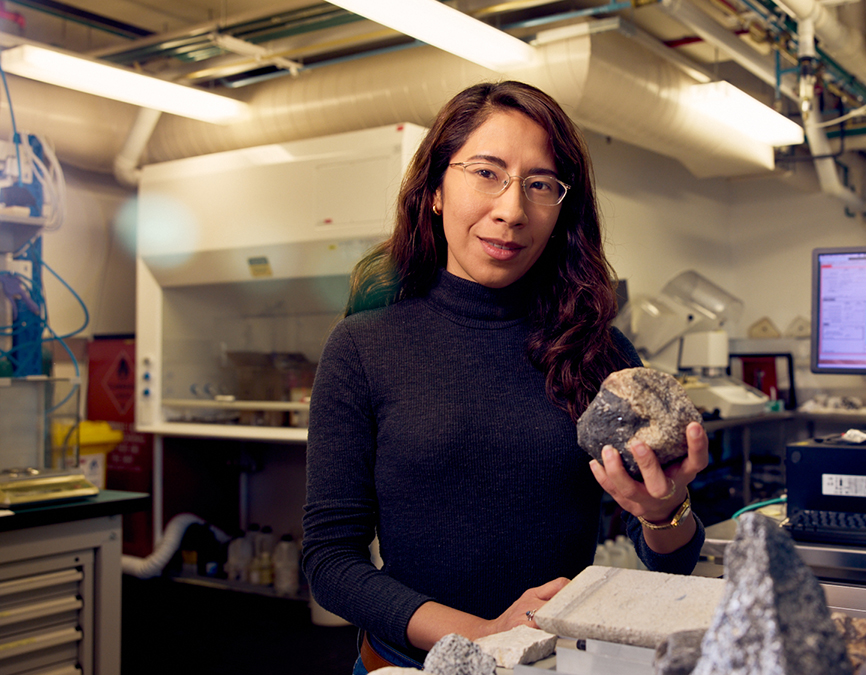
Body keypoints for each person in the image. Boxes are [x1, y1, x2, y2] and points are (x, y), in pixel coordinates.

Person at [301, 80, 709, 672]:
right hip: (411, 665)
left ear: (561, 208)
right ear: (436, 189)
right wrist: (484, 634)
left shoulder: (599, 351)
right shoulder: (363, 347)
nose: (512, 210)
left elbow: (672, 562)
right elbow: (331, 562)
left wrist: (663, 513)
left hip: (552, 662)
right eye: (486, 173)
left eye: (540, 185)